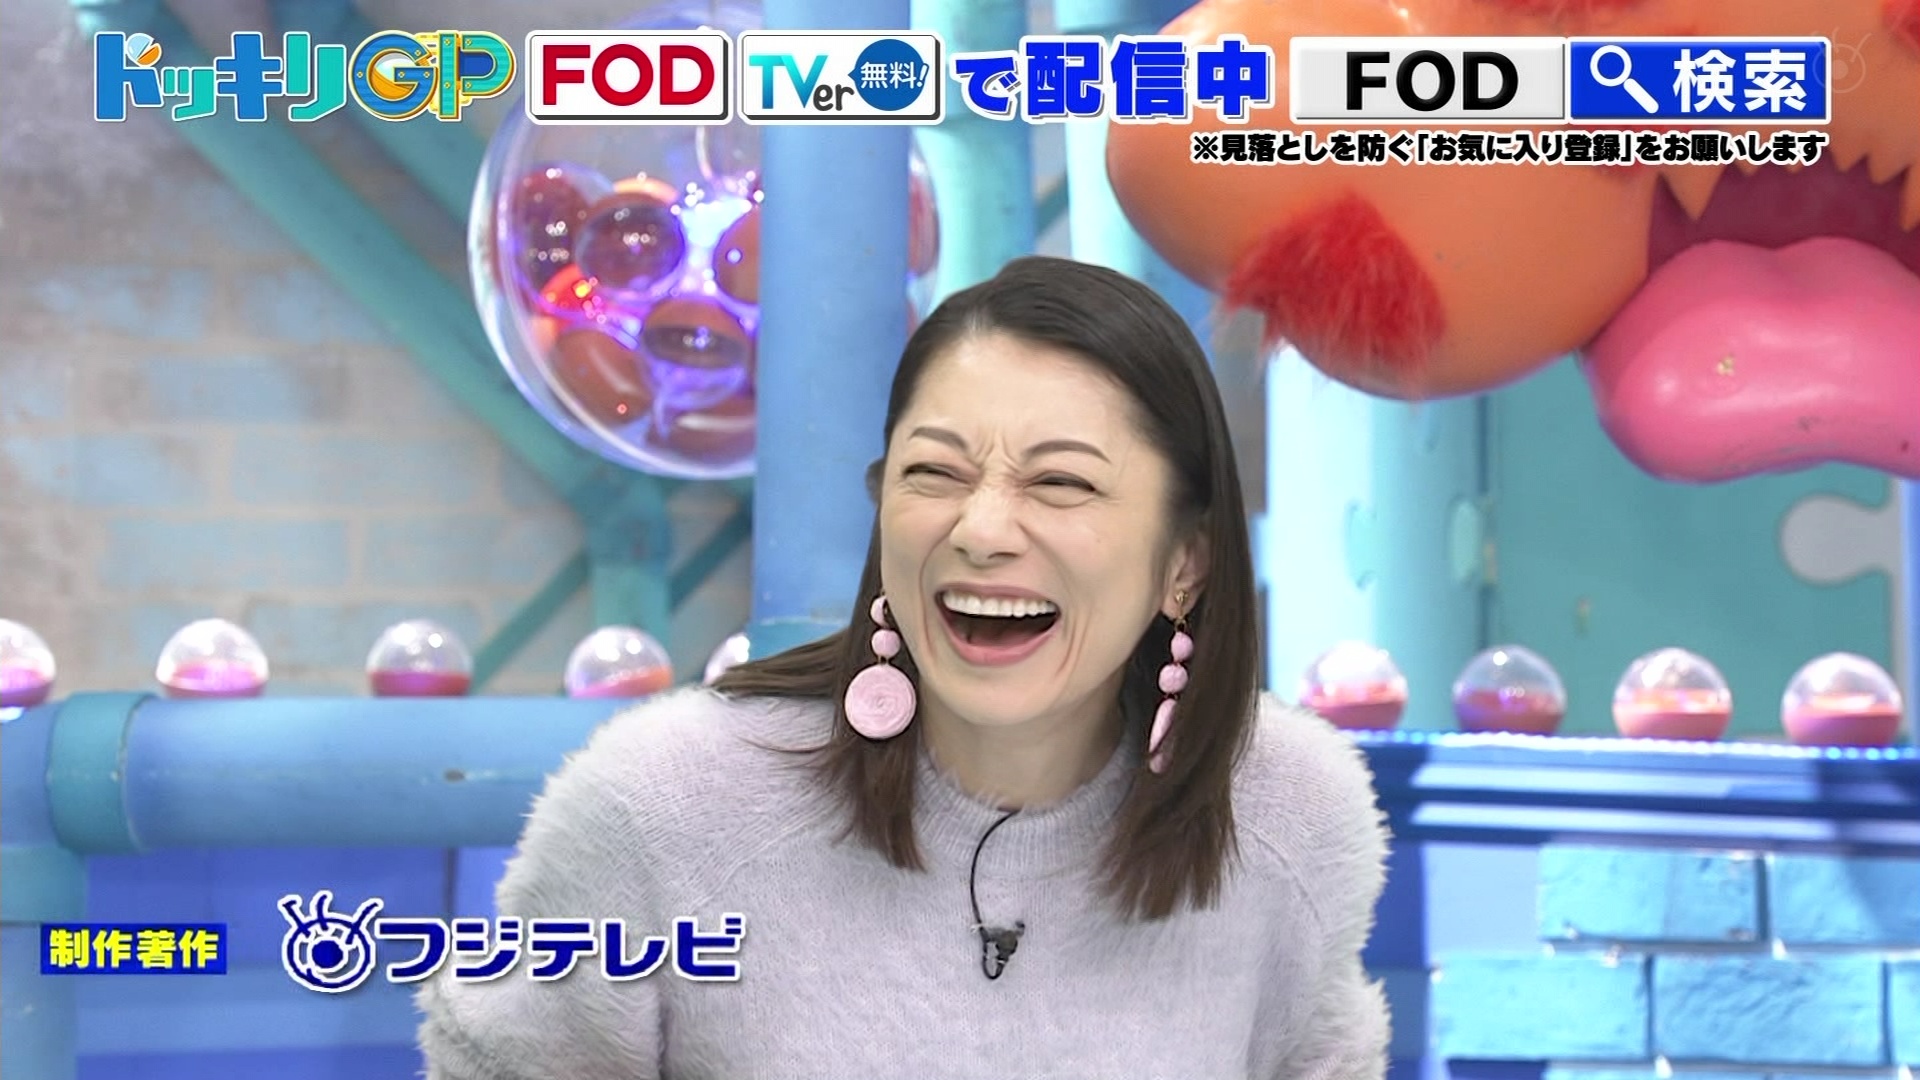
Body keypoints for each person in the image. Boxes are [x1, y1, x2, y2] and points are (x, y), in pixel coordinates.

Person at [416, 255, 1391, 1079]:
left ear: (1187, 562)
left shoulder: (1289, 817)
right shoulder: (662, 805)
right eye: (935, 473)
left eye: (1061, 482)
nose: (981, 530)